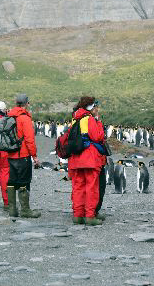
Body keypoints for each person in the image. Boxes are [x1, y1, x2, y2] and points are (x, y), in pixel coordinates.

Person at [68, 97, 106, 226]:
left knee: (78, 187)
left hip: (75, 158)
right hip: (89, 158)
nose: (97, 109)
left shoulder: (75, 118)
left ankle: (78, 215)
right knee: (91, 187)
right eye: (96, 107)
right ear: (91, 108)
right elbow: (98, 137)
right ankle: (90, 216)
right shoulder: (89, 119)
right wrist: (98, 122)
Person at [6, 94, 41, 218]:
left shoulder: (9, 116)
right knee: (24, 182)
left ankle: (12, 210)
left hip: (10, 155)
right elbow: (29, 139)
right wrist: (34, 156)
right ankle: (25, 210)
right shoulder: (24, 117)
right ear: (27, 103)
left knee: (11, 181)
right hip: (23, 155)